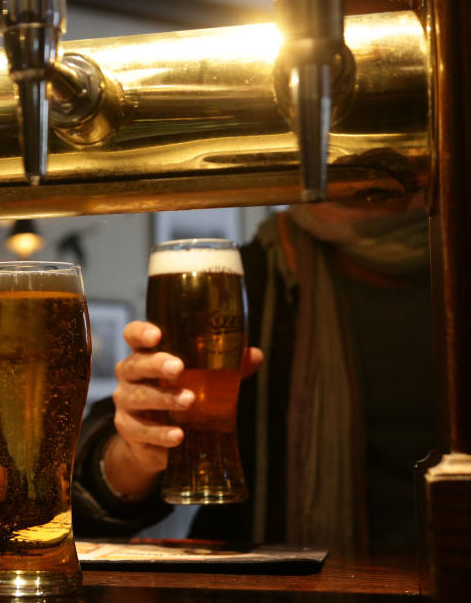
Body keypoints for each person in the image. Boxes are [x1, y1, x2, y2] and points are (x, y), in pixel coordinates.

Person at [73, 197, 437, 555]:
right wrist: (136, 455)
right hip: (281, 593)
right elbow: (85, 493)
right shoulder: (257, 272)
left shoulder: (466, 256)